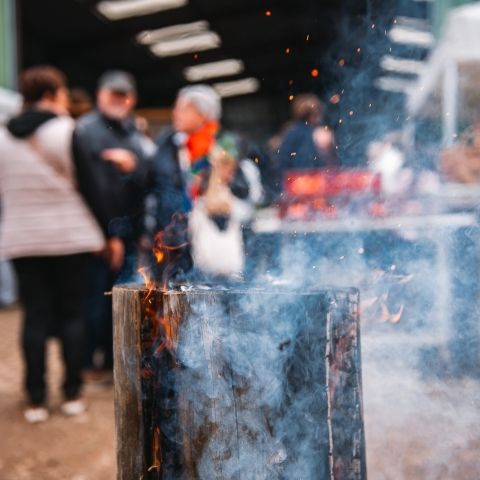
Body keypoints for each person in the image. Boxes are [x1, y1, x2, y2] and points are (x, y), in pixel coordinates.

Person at [0, 66, 105, 422]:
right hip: (70, 237)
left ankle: (35, 400)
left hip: (22, 238)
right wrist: (108, 232)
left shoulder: (1, 137)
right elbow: (92, 186)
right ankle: (72, 393)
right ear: (50, 95)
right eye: (62, 93)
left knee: (34, 316)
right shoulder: (68, 130)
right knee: (72, 315)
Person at [72, 70, 150, 377]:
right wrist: (109, 233)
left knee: (122, 297)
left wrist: (133, 166)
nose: (118, 101)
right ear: (100, 95)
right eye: (113, 94)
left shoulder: (133, 133)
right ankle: (92, 362)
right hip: (99, 232)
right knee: (95, 299)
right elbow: (93, 188)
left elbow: (146, 179)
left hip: (130, 232)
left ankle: (115, 359)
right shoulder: (86, 130)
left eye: (124, 95)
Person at [152, 85, 253, 281]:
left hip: (211, 235)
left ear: (201, 114)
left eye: (182, 109)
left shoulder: (224, 144)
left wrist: (219, 178)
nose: (175, 113)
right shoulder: (169, 143)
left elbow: (243, 190)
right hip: (174, 239)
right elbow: (158, 182)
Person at [277, 94, 338, 178]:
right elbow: (332, 166)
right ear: (314, 114)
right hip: (313, 183)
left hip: (291, 183)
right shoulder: (321, 133)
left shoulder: (288, 131)